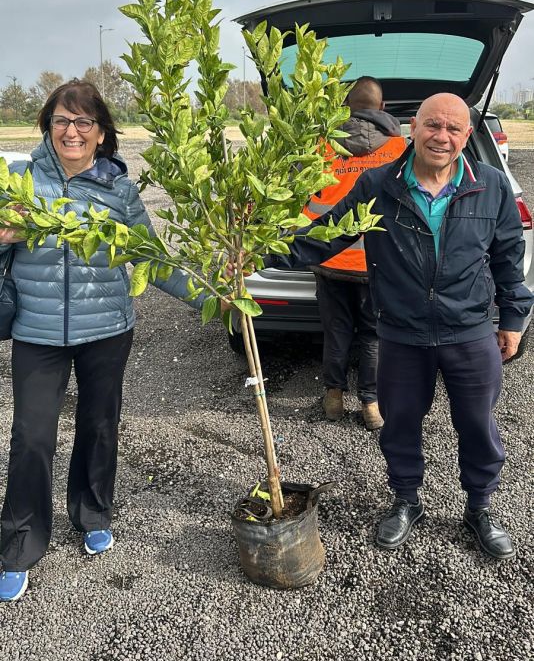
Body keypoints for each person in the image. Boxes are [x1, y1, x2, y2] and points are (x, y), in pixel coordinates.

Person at [267, 93, 533, 560]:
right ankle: (406, 501)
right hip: (401, 333)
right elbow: (325, 235)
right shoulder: (378, 184)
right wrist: (258, 254)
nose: (442, 137)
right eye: (433, 125)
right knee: (400, 425)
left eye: (454, 129)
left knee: (477, 425)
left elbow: (509, 258)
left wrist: (512, 318)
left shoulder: (490, 185)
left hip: (469, 331)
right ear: (413, 128)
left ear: (467, 136)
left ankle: (479, 507)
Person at [0, 80, 203, 603]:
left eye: (83, 122)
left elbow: (152, 259)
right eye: (62, 121)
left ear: (101, 133)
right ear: (47, 127)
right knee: (30, 438)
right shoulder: (19, 181)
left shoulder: (118, 189)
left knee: (99, 425)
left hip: (107, 330)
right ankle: (21, 544)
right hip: (37, 331)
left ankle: (92, 512)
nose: (72, 131)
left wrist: (211, 299)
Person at [302, 77, 405, 429]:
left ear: (345, 108)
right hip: (376, 263)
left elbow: (300, 198)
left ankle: (333, 397)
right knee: (373, 334)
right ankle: (371, 404)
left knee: (337, 331)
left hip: (330, 260)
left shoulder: (323, 145)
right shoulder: (398, 148)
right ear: (383, 108)